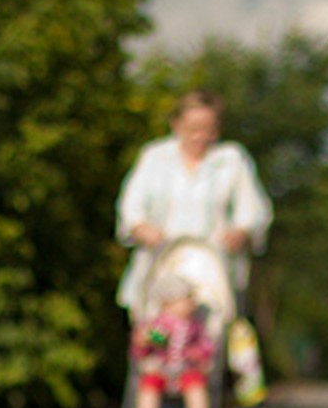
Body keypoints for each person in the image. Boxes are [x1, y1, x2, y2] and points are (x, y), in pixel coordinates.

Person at [116, 90, 273, 314]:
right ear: (177, 125)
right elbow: (130, 207)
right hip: (159, 271)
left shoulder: (232, 159)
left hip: (213, 280)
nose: (200, 137)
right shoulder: (154, 156)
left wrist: (240, 232)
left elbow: (253, 211)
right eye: (193, 129)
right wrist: (142, 228)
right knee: (157, 341)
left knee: (204, 343)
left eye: (208, 130)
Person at [129, 270, 216, 408]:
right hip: (161, 369)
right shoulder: (157, 324)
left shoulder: (195, 325)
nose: (192, 303)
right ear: (168, 304)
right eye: (187, 299)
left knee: (196, 385)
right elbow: (142, 349)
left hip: (186, 369)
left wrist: (200, 355)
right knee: (148, 385)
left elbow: (206, 345)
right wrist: (143, 342)